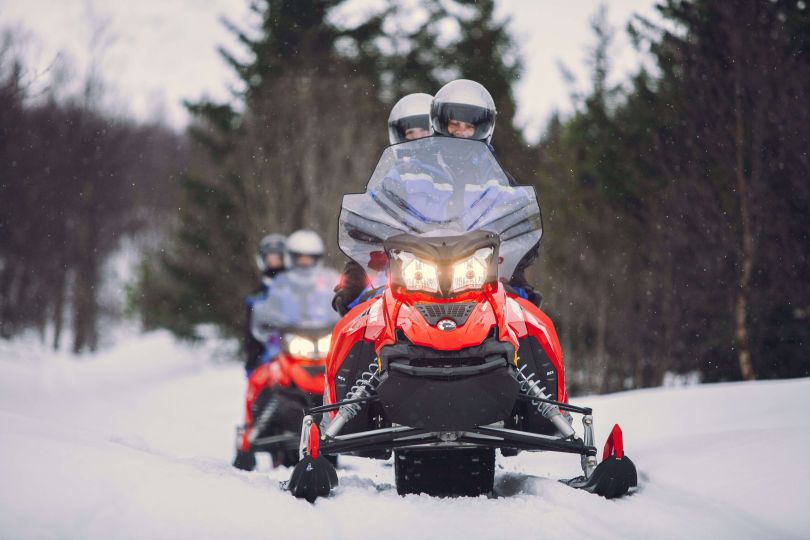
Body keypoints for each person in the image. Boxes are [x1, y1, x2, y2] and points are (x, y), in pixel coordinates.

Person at [332, 94, 434, 315]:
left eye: (425, 131)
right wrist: (364, 229)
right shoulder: (393, 180)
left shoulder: (459, 173)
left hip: (462, 270)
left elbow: (492, 210)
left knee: (513, 313)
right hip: (406, 271)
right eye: (410, 134)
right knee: (361, 319)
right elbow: (369, 216)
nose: (417, 139)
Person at [244, 234, 286, 376]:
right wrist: (253, 362)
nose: (275, 260)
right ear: (263, 259)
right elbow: (250, 332)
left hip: (297, 346)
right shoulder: (258, 294)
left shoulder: (297, 289)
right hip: (268, 351)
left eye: (279, 256)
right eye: (271, 256)